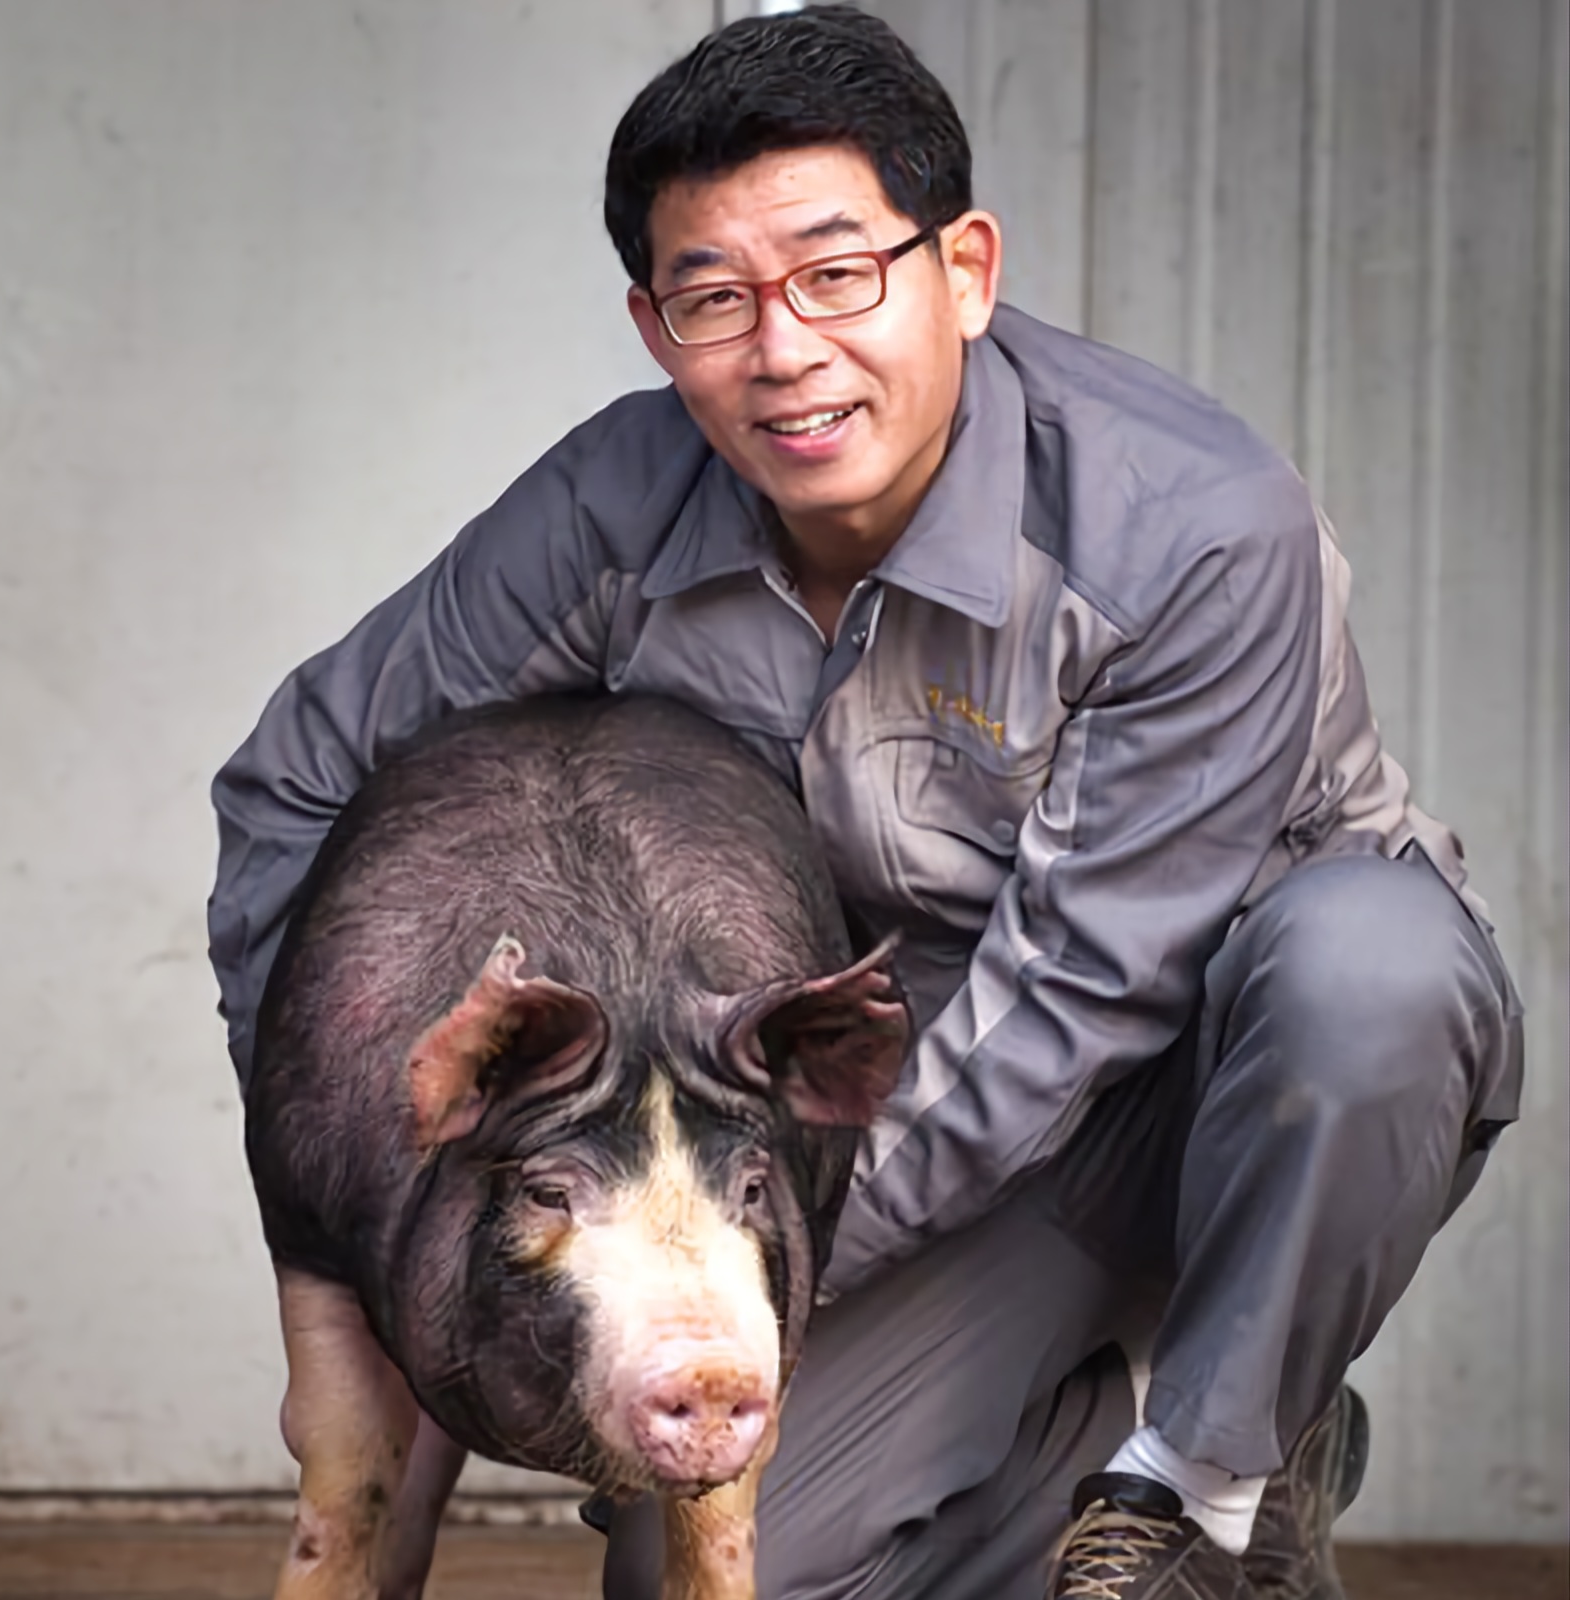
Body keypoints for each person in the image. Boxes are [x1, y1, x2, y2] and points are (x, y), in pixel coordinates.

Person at [207, 9, 1523, 1598]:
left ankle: (1211, 1471)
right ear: (652, 326)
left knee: (1367, 964)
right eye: (715, 299)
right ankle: (1072, 1455)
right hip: (899, 1107)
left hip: (1229, 1084)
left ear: (963, 269)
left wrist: (739, 1255)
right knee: (715, 1555)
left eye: (840, 274)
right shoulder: (613, 510)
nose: (784, 349)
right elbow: (302, 781)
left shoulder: (1188, 525)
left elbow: (1081, 995)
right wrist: (355, 1205)